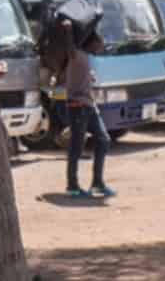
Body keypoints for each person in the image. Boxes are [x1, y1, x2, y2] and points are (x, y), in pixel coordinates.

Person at [56, 16, 114, 199]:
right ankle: (72, 185)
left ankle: (97, 183)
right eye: (99, 43)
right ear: (91, 42)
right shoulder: (77, 55)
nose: (100, 47)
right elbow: (70, 49)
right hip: (78, 106)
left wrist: (90, 79)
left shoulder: (85, 58)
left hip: (88, 105)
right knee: (76, 147)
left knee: (103, 139)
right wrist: (69, 31)